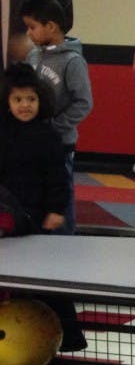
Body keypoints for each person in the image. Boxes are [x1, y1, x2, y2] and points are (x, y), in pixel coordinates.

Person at [21, 0, 93, 234]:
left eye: (32, 27)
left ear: (50, 27)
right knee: (37, 190)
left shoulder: (72, 62)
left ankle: (66, 239)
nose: (28, 33)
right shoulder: (33, 56)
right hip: (33, 141)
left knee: (61, 193)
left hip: (60, 143)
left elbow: (83, 103)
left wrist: (55, 126)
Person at [0, 62, 69, 236]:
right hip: (6, 207)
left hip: (37, 213)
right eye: (18, 99)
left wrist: (56, 209)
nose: (25, 105)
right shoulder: (3, 131)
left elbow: (58, 176)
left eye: (31, 99)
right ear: (7, 102)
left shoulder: (48, 136)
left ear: (40, 100)